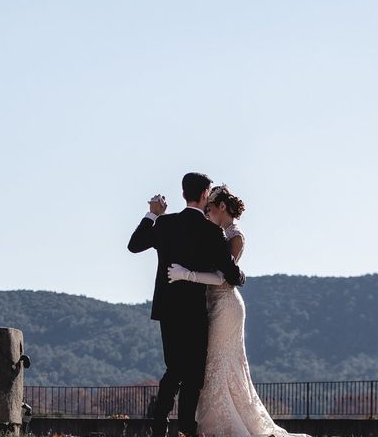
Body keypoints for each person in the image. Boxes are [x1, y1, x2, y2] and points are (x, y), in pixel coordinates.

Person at [168, 185, 309, 437]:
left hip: (226, 306)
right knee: (213, 362)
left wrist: (186, 275)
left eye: (209, 209)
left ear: (222, 207)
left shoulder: (234, 236)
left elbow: (224, 278)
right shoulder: (216, 234)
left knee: (221, 362)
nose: (207, 213)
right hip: (212, 303)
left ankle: (223, 425)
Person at [127, 172, 245, 437]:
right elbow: (231, 274)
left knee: (174, 368)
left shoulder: (166, 224)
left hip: (167, 309)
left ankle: (158, 425)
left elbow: (134, 245)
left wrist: (153, 214)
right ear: (205, 195)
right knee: (193, 374)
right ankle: (187, 429)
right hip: (194, 310)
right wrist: (241, 275)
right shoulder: (211, 231)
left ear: (183, 194)